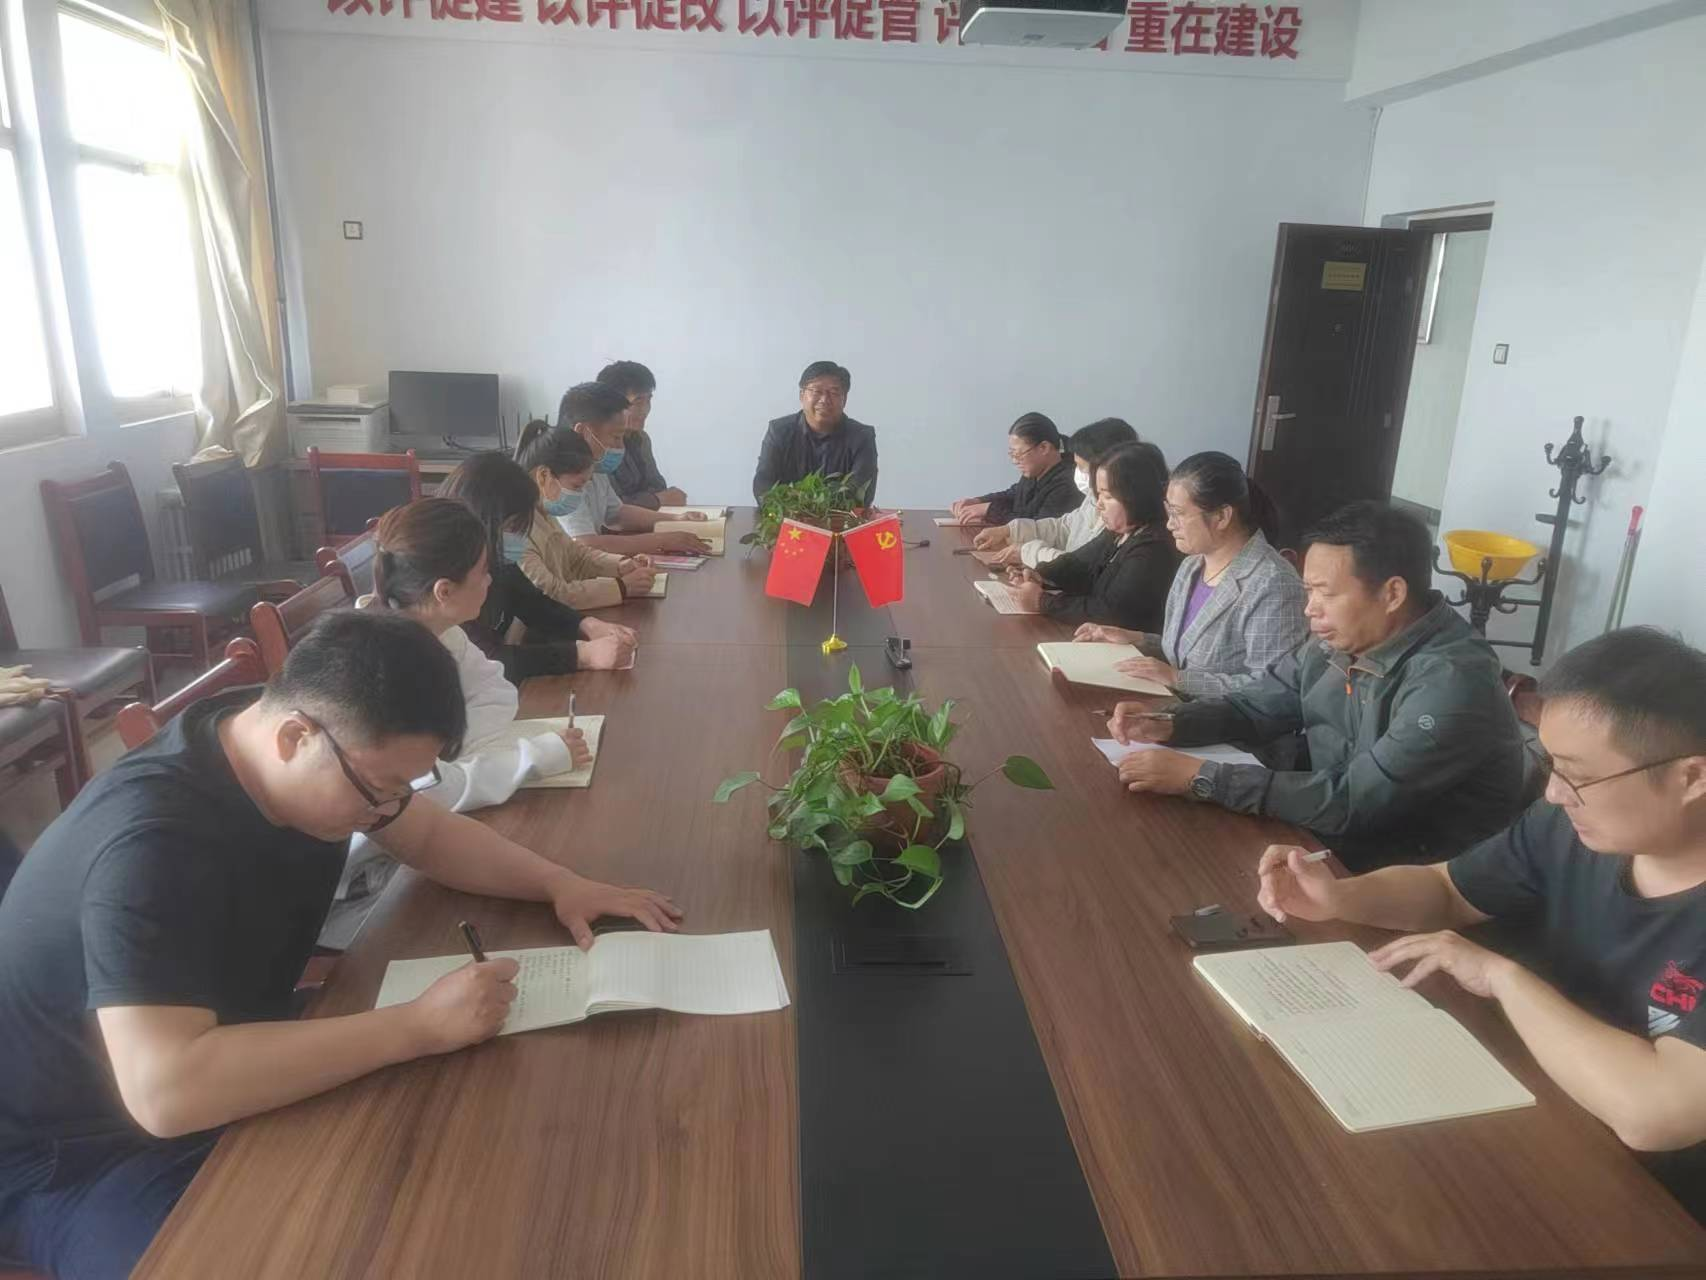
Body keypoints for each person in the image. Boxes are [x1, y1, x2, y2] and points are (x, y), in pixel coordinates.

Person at [0, 610, 682, 1279]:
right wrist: (416, 1027)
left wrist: (560, 884)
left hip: (226, 1049)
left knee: (459, 1172)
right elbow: (166, 1091)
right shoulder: (151, 846)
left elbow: (427, 834)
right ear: (294, 737)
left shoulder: (284, 731)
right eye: (377, 792)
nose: (384, 812)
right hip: (80, 1151)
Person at [1256, 627, 1706, 1222]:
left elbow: (1655, 1114)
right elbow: (1448, 890)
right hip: (1533, 1104)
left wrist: (1504, 979)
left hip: (1649, 1206)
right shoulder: (1572, 826)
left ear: (1691, 777)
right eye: (1549, 763)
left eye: (1578, 775)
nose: (1554, 792)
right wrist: (1340, 897)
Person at [1107, 500, 1527, 868]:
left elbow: (1354, 800)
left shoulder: (1453, 681)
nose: (1310, 610)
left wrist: (1203, 778)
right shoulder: (1340, 642)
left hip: (1414, 874)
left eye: (1325, 593)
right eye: (1308, 591)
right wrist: (1170, 723)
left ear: (1393, 594)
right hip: (1329, 836)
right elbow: (1255, 706)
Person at [1074, 451, 1307, 697]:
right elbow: (1187, 653)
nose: (1169, 524)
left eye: (1178, 513)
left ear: (1221, 516)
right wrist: (1135, 639)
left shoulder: (1273, 584)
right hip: (1174, 705)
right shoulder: (1192, 565)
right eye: (1169, 512)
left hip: (1221, 719)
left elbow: (1275, 690)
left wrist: (1178, 679)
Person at [437, 454, 638, 682]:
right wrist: (582, 655)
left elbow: (533, 602)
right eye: (513, 526)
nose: (521, 536)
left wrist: (588, 625)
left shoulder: (494, 560)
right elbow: (488, 660)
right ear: (483, 520)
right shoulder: (450, 578)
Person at [1003, 443, 1179, 631]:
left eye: (1108, 496)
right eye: (1098, 495)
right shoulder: (1119, 532)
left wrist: (1042, 601)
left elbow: (1110, 612)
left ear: (1137, 497)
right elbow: (1078, 563)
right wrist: (1040, 575)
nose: (1099, 505)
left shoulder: (1154, 548)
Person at [511, 420, 658, 609]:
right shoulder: (515, 529)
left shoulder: (543, 514)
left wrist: (621, 565)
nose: (580, 495)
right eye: (576, 486)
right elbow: (551, 594)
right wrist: (622, 587)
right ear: (543, 476)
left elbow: (576, 556)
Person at [554, 382, 712, 555]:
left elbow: (617, 514)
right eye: (616, 437)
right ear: (583, 432)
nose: (620, 447)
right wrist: (663, 540)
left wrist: (676, 519)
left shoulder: (595, 467)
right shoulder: (561, 476)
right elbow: (585, 544)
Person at [972, 418, 1138, 568]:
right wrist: (1010, 531)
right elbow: (1064, 527)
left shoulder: (1117, 515)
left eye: (1082, 468)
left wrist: (1027, 553)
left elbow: (1082, 565)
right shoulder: (1092, 498)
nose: (1077, 473)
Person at [751, 360, 878, 504]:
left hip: (840, 518)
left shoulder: (862, 437)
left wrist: (808, 504)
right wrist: (797, 508)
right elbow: (763, 485)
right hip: (787, 516)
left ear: (845, 399)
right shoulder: (779, 431)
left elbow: (860, 492)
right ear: (802, 395)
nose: (824, 399)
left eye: (834, 392)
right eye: (816, 391)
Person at [949, 412, 1080, 528]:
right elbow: (1014, 494)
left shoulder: (1070, 482)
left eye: (1018, 454)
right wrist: (979, 501)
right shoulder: (1037, 470)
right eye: (1012, 454)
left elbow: (1038, 527)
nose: (1015, 461)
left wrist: (989, 510)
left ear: (1044, 448)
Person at [595, 360, 686, 510]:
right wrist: (656, 499)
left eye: (648, 400)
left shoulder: (641, 438)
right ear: (611, 404)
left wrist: (657, 498)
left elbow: (658, 486)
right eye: (637, 402)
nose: (645, 410)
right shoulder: (596, 445)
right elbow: (609, 506)